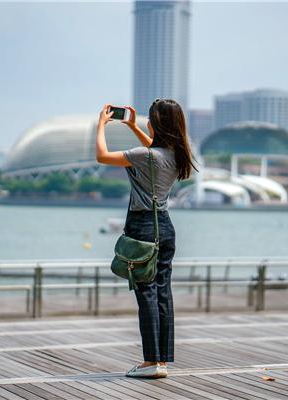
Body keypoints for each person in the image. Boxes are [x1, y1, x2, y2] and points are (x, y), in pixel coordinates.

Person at [95, 99, 199, 378]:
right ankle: (161, 361)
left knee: (147, 294)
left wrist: (101, 126)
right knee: (163, 292)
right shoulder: (177, 154)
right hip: (165, 227)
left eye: (150, 119)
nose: (148, 123)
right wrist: (131, 125)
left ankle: (151, 362)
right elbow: (154, 146)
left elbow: (102, 156)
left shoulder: (146, 156)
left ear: (157, 123)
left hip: (143, 227)